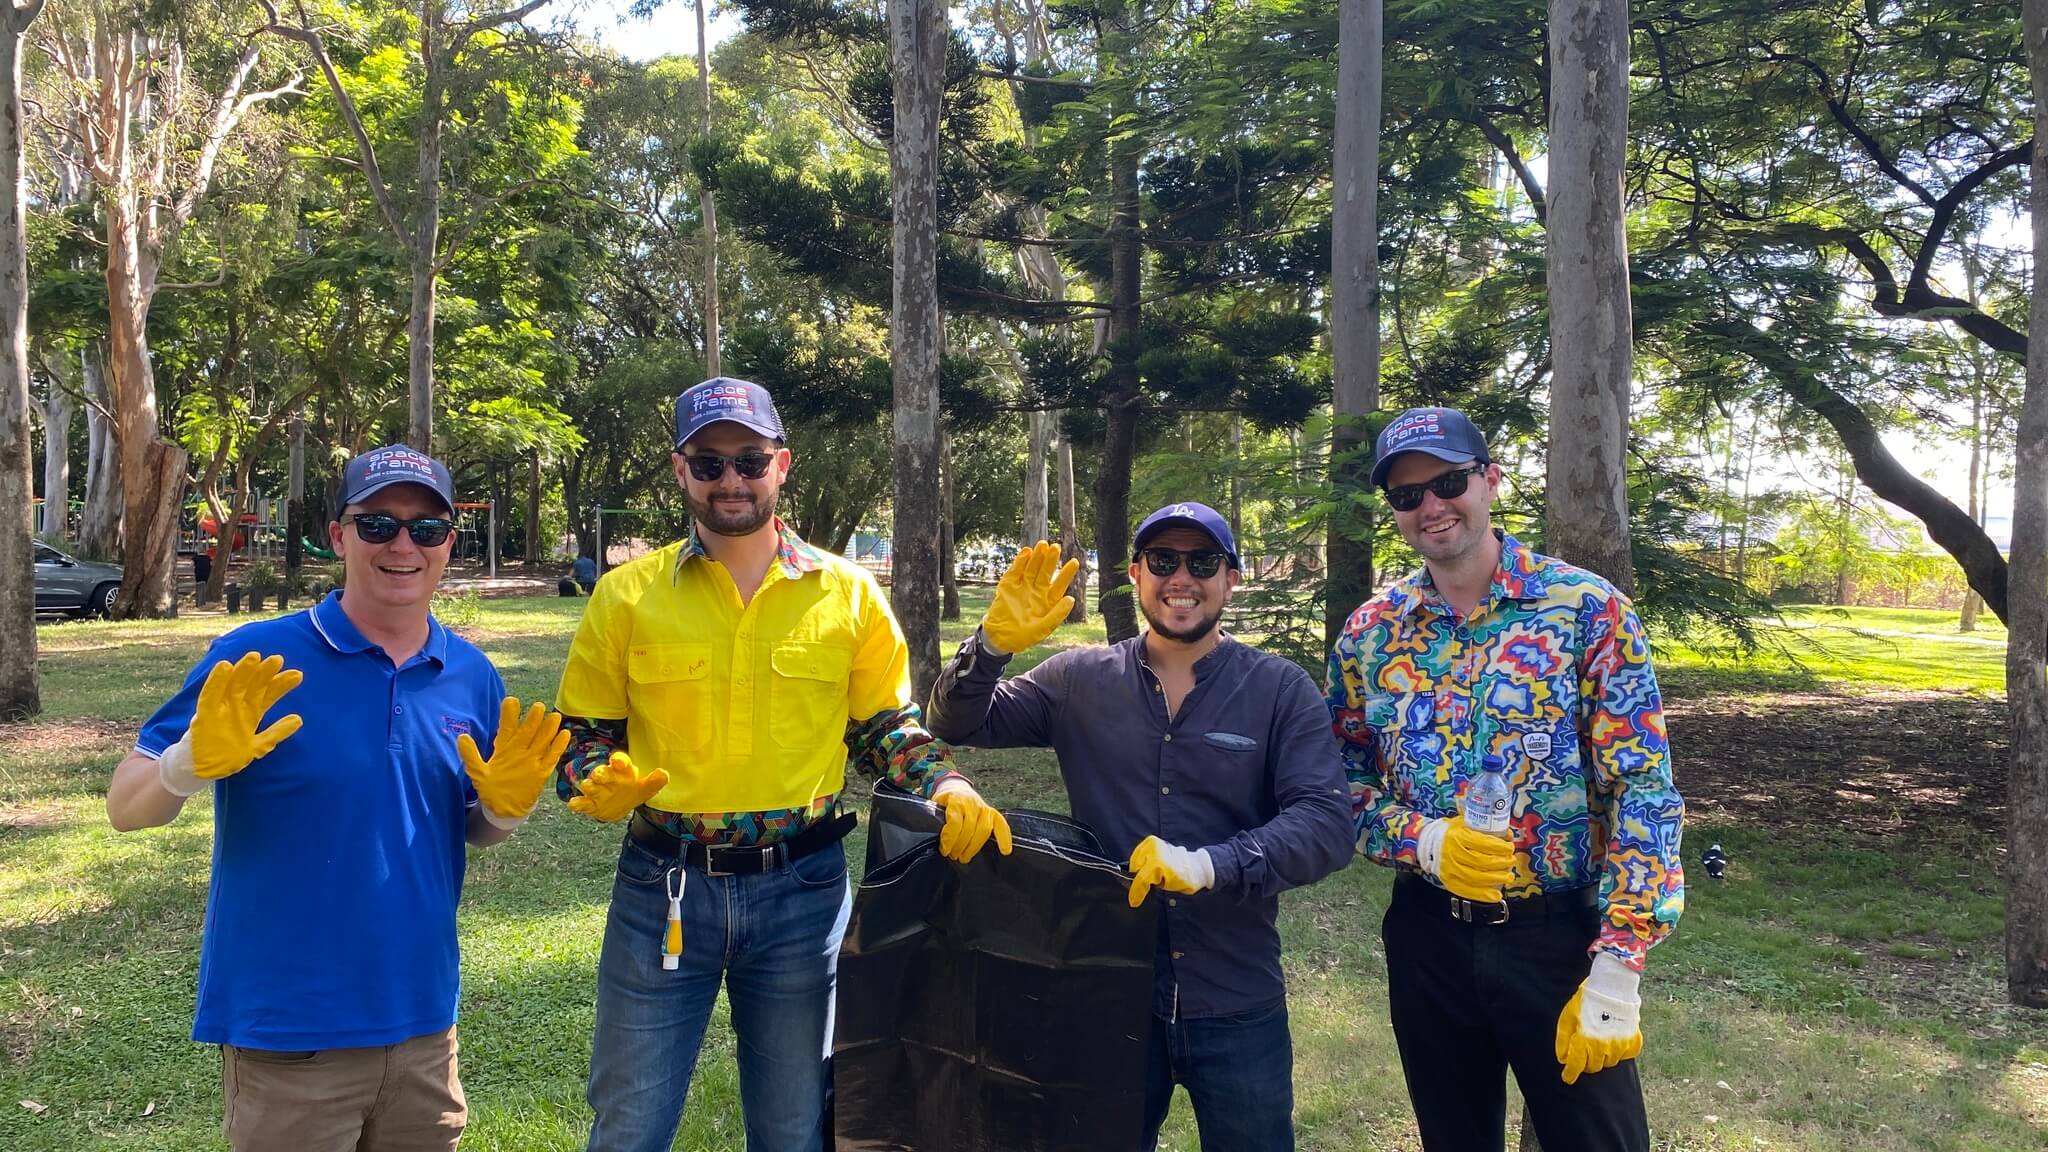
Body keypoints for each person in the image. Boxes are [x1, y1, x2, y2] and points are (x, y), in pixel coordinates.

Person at [552, 376, 1012, 1152]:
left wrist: (950, 783)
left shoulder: (849, 592)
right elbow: (582, 737)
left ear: (781, 464)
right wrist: (592, 778)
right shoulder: (625, 596)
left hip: (802, 894)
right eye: (709, 463)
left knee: (797, 1131)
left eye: (748, 460)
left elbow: (883, 729)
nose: (731, 479)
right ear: (680, 472)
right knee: (628, 1126)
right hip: (663, 886)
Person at [105, 445, 568, 1152]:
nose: (404, 545)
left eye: (427, 529)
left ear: (449, 542)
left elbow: (471, 830)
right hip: (291, 1034)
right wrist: (183, 766)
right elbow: (124, 806)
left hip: (422, 1029)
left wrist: (503, 812)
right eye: (378, 524)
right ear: (339, 535)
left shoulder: (471, 675)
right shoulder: (256, 657)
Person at [926, 502, 1355, 1152]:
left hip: (1235, 994)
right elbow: (957, 723)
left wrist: (1210, 865)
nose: (1181, 577)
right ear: (1134, 573)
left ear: (1230, 578)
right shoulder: (1078, 680)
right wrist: (987, 648)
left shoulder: (1279, 690)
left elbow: (1326, 825)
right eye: (1163, 561)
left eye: (1202, 561)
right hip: (1104, 992)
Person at [1325, 407, 1686, 1151]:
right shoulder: (1370, 634)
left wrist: (1619, 964)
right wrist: (1422, 841)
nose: (1430, 505)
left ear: (1490, 480)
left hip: (1555, 939)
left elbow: (1643, 789)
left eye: (1448, 481)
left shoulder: (1586, 610)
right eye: (1407, 494)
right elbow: (1338, 780)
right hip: (1428, 937)